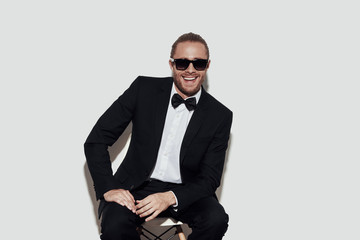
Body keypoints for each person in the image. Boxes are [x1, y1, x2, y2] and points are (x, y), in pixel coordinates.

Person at [84, 32, 233, 240]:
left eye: (198, 63)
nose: (190, 70)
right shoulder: (143, 89)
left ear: (207, 66)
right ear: (171, 64)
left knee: (216, 219)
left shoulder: (220, 115)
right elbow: (96, 140)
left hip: (185, 191)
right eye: (182, 63)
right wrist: (108, 188)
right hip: (136, 187)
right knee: (115, 224)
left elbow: (210, 178)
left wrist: (169, 197)